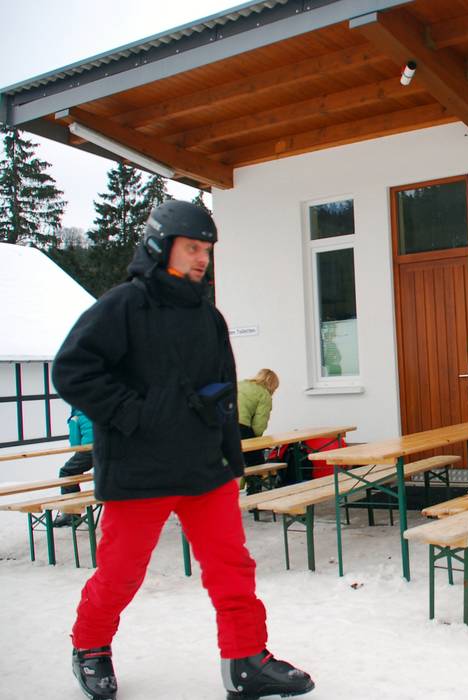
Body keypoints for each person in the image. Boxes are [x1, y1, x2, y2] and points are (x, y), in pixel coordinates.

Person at [52, 200, 314, 700]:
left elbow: (223, 390)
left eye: (207, 250)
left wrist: (231, 458)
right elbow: (72, 370)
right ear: (159, 245)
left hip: (203, 469)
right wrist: (133, 414)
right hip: (139, 470)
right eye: (192, 248)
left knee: (232, 569)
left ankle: (246, 660)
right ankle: (90, 647)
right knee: (121, 573)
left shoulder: (207, 316)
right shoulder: (123, 305)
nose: (202, 259)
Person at [52, 406, 94, 527]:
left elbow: (75, 445)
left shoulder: (76, 417)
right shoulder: (101, 409)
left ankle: (71, 513)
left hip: (89, 450)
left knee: (67, 473)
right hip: (110, 448)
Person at [238, 368, 279, 468]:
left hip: (219, 424)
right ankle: (259, 477)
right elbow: (259, 426)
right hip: (239, 426)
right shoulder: (264, 394)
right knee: (256, 460)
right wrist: (256, 442)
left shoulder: (240, 384)